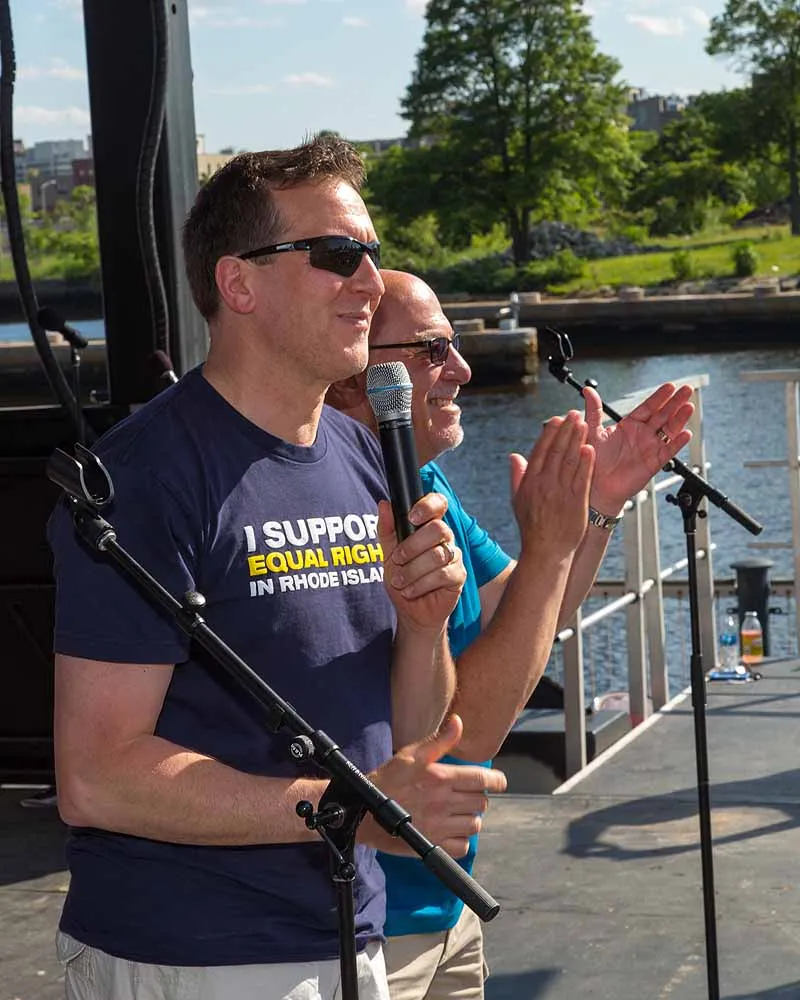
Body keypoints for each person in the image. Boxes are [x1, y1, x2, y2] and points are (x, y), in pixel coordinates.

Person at [46, 138, 507, 1000]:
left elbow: (409, 740)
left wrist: (423, 627)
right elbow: (96, 777)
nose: (370, 281)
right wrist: (350, 811)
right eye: (336, 254)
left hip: (351, 934)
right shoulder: (147, 479)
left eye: (371, 253)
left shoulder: (366, 458)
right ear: (239, 284)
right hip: (192, 955)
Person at [327, 269, 695, 1000]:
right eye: (433, 350)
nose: (462, 369)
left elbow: (527, 613)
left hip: (447, 900)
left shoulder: (425, 483)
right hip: (372, 924)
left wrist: (596, 506)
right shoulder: (338, 508)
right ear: (352, 376)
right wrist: (552, 546)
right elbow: (464, 735)